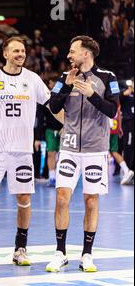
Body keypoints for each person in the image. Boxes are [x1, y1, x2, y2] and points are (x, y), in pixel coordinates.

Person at [0, 36, 62, 267]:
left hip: (22, 151)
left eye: (23, 51)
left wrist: (72, 125)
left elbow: (52, 107)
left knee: (24, 199)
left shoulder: (33, 79)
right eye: (15, 50)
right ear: (5, 54)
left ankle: (20, 248)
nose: (20, 54)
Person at [46, 35, 119, 272]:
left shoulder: (108, 78)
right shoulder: (63, 78)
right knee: (61, 198)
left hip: (95, 149)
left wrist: (91, 94)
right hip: (68, 147)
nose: (69, 55)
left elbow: (112, 110)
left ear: (86, 53)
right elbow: (53, 107)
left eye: (72, 51)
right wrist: (67, 85)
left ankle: (87, 254)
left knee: (90, 201)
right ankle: (60, 253)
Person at [120, 79, 134, 184]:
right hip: (128, 124)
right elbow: (117, 100)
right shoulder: (126, 93)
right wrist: (124, 93)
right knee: (128, 147)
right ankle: (128, 171)